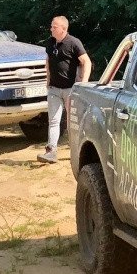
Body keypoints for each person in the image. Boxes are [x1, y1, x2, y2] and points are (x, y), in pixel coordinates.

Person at [37, 15, 91, 164]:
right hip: (54, 89)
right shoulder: (50, 42)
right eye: (51, 26)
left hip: (70, 90)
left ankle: (78, 151)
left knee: (73, 122)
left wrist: (83, 84)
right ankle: (51, 151)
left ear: (63, 29)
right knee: (53, 121)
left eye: (54, 27)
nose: (51, 29)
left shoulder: (73, 42)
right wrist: (48, 80)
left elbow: (86, 62)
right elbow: (48, 61)